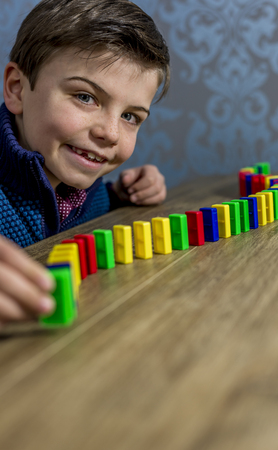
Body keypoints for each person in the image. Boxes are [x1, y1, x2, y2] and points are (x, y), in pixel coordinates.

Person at [0, 0, 170, 324]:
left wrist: (124, 194)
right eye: (85, 97)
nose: (110, 133)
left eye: (131, 116)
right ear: (17, 89)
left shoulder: (88, 187)